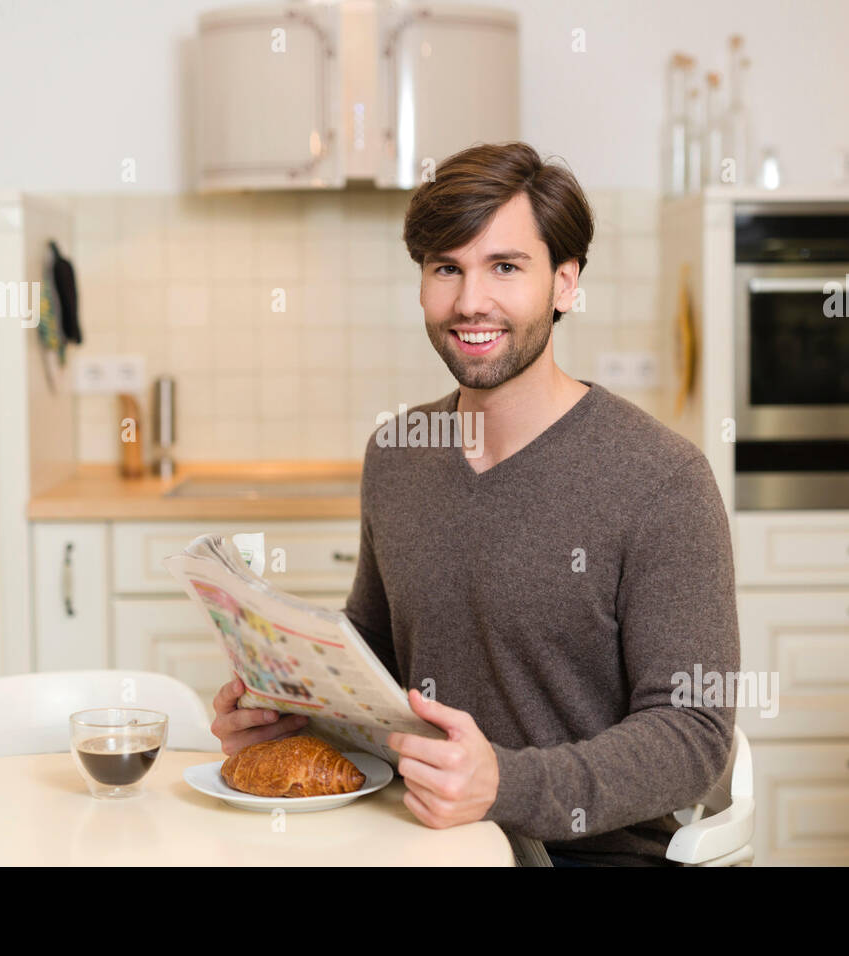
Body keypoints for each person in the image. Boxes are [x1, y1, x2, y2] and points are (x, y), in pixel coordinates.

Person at [210, 141, 740, 866]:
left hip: (583, 856)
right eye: (446, 269)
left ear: (564, 283)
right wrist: (293, 720)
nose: (469, 302)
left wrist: (506, 785)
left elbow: (694, 734)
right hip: (409, 837)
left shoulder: (663, 480)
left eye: (505, 267)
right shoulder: (397, 454)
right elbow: (379, 665)